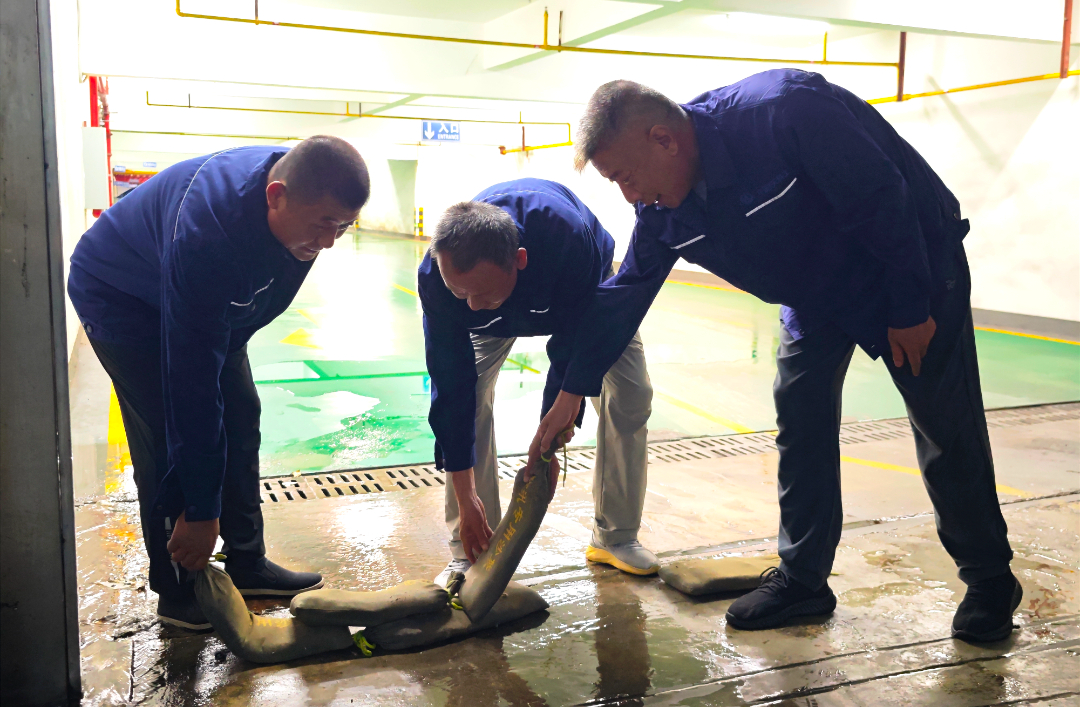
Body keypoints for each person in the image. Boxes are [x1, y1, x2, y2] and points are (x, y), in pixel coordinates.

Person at [532, 70, 1021, 643]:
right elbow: (625, 296)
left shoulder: (784, 112)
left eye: (626, 176)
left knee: (943, 423)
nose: (629, 196)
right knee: (800, 414)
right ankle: (803, 580)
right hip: (814, 292)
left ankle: (990, 581)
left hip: (906, 262)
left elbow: (882, 198)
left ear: (663, 139)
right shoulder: (663, 213)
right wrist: (570, 393)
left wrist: (911, 306)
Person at [68, 136, 370, 630]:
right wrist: (200, 509)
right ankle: (178, 590)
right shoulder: (209, 234)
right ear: (276, 196)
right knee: (165, 436)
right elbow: (191, 387)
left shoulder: (305, 200)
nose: (330, 241)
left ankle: (247, 562)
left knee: (241, 413)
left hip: (201, 301)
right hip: (121, 294)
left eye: (343, 226)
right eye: (323, 225)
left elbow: (250, 311)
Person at [419, 178, 657, 584]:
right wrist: (466, 494)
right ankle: (470, 549)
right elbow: (450, 385)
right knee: (470, 395)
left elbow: (577, 343)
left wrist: (552, 435)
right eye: (460, 294)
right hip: (502, 314)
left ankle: (615, 537)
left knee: (631, 393)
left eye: (481, 293)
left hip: (585, 297)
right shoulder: (440, 280)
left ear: (519, 260)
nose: (471, 306)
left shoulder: (568, 240)